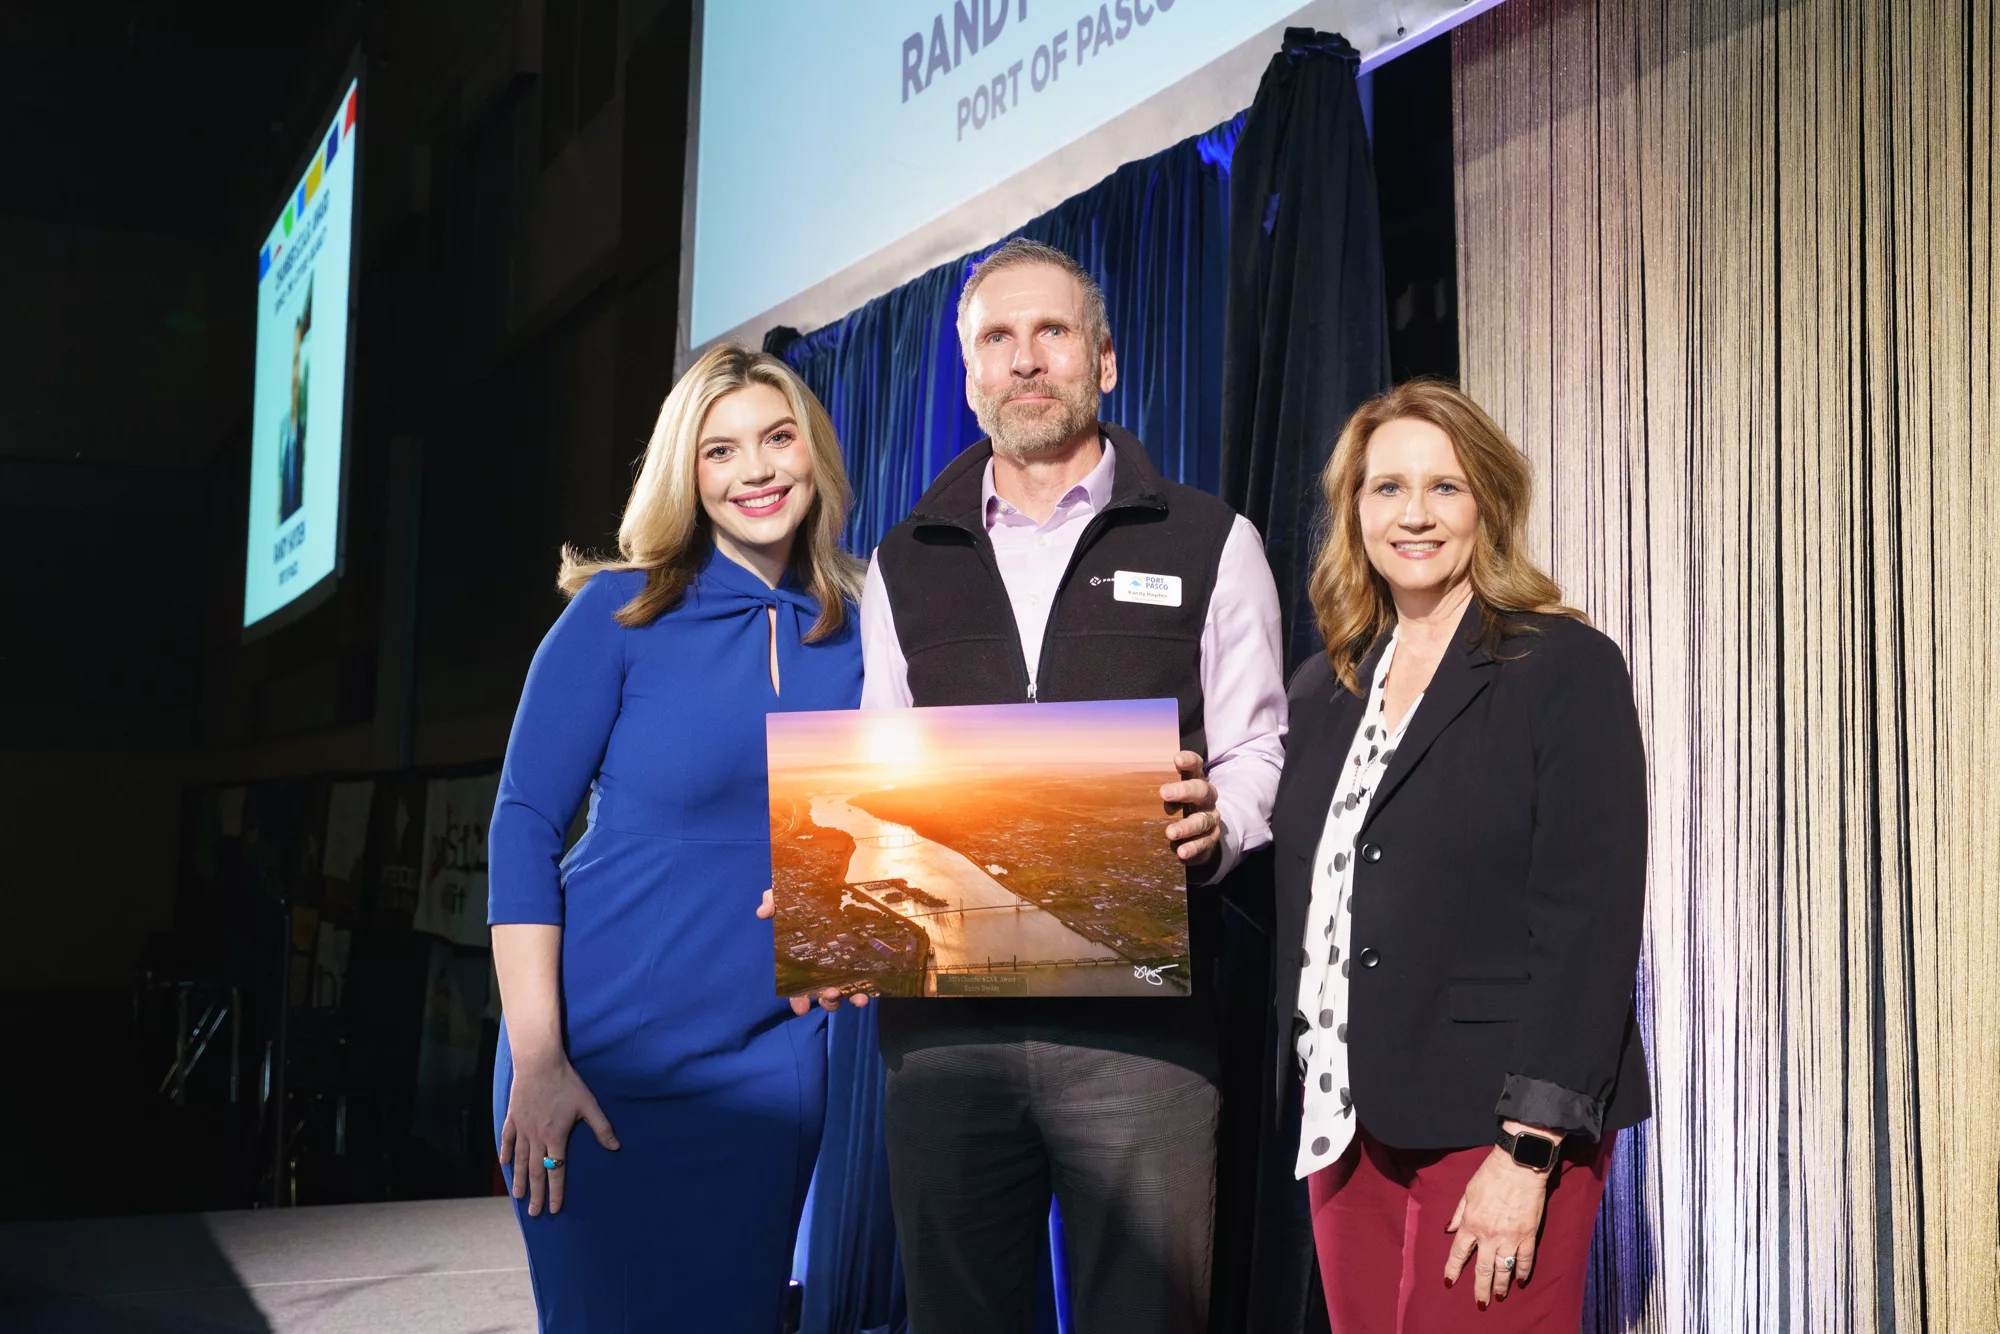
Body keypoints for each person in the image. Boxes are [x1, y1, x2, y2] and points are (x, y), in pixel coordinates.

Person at [859, 238, 1288, 1333]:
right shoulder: (900, 559)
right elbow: (880, 759)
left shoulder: (1210, 539)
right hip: (944, 1029)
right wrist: (839, 892)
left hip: (1142, 1022)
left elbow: (1257, 748)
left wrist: (1223, 819)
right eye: (997, 339)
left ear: (1104, 360)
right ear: (967, 380)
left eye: (1051, 332)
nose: (1024, 359)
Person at [486, 344, 865, 1333]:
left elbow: (902, 824)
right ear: (685, 475)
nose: (757, 469)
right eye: (721, 450)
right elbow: (522, 824)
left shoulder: (870, 629)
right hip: (594, 1059)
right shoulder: (618, 613)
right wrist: (537, 1056)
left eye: (778, 438)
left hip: (771, 1069)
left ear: (812, 452)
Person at [1271, 380, 1650, 1330]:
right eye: (1387, 487)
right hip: (1346, 1121)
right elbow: (1315, 895)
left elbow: (1590, 923)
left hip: (1500, 1124)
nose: (1415, 514)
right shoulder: (1326, 685)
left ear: (1488, 501)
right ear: (1353, 510)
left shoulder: (1561, 666)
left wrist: (1529, 1153)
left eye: (1445, 487)